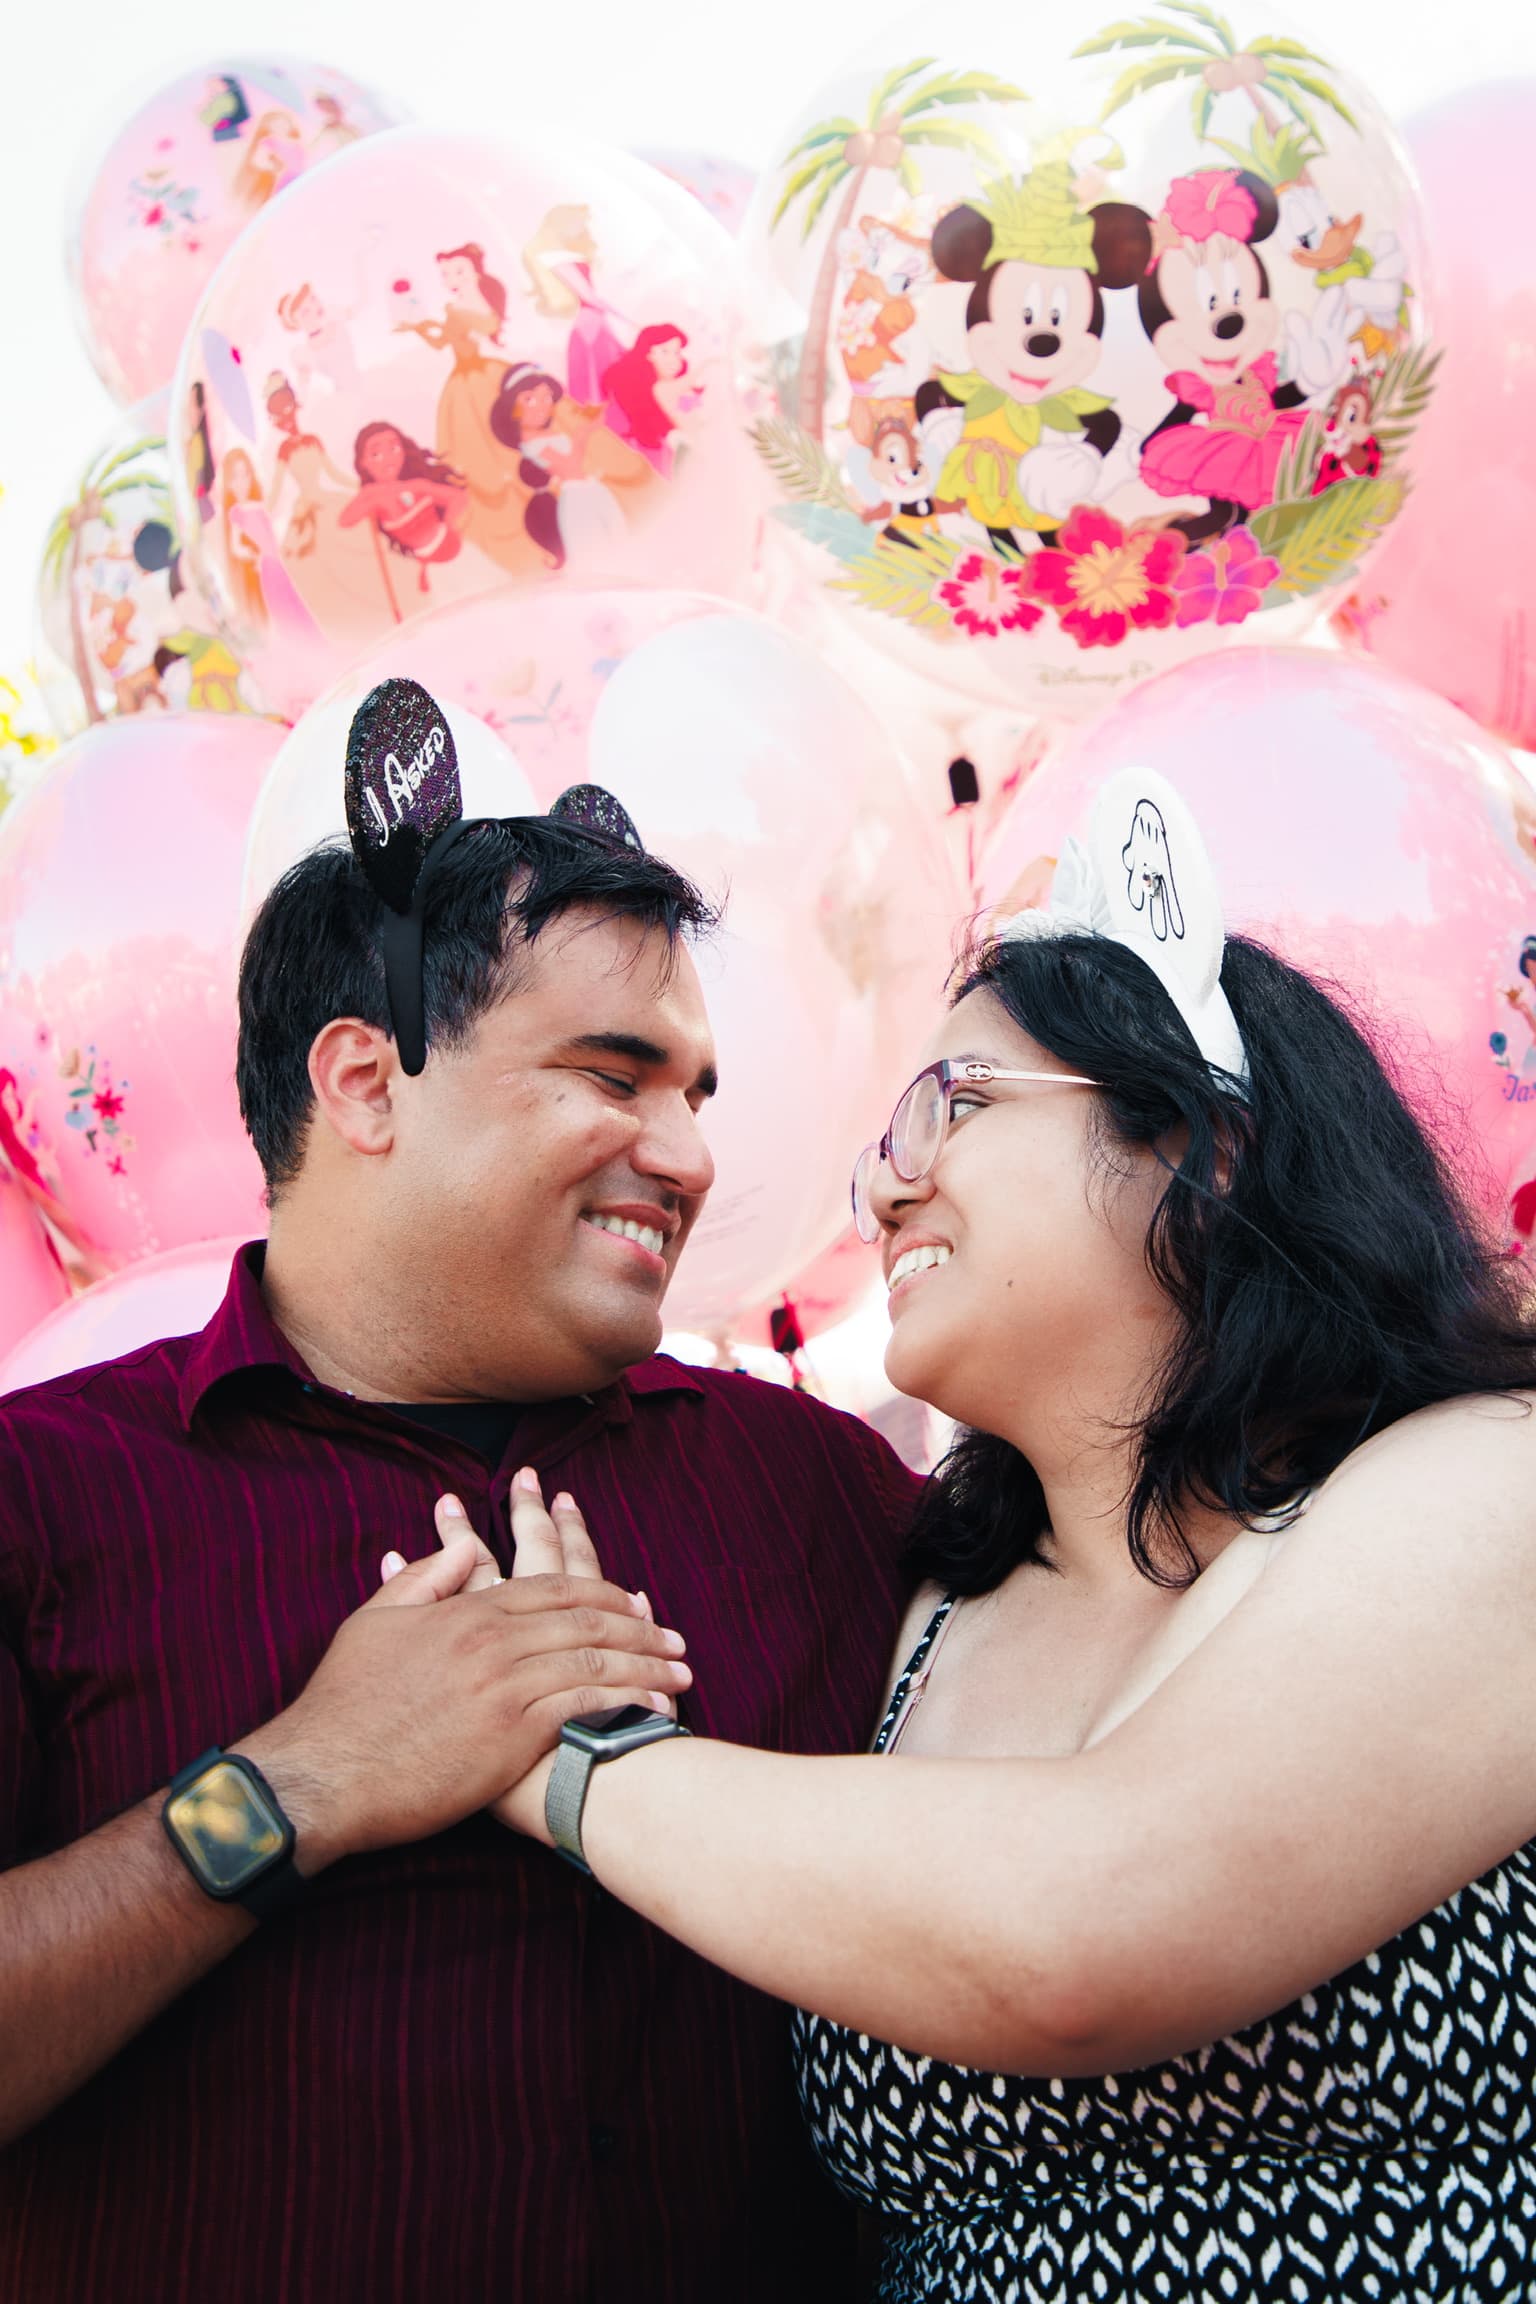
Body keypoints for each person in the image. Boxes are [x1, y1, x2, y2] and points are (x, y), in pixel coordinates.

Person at [475, 768, 1536, 2301]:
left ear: (1195, 1138)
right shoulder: (916, 1616)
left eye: (953, 1104)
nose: (886, 1186)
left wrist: (549, 1754)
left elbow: (1086, 1933)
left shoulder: (1484, 1480)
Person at [0, 687, 919, 2304]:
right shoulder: (43, 1499)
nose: (690, 1153)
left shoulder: (827, 1495)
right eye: (615, 1072)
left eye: (696, 1091)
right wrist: (294, 1789)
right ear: (363, 1081)